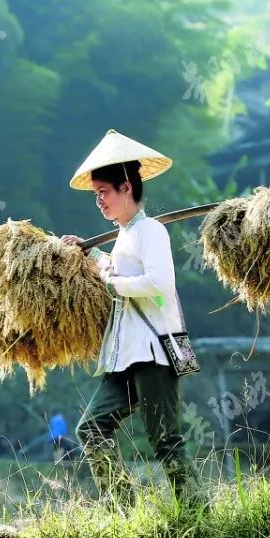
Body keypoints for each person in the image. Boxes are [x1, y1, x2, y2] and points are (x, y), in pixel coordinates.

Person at [61, 128, 200, 506]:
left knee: (165, 439)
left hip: (155, 351)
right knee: (91, 428)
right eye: (95, 195)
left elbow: (159, 284)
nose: (99, 201)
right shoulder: (124, 236)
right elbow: (118, 269)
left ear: (126, 188)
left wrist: (111, 282)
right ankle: (124, 507)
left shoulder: (151, 230)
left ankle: (197, 514)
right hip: (126, 354)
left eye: (103, 192)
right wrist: (89, 256)